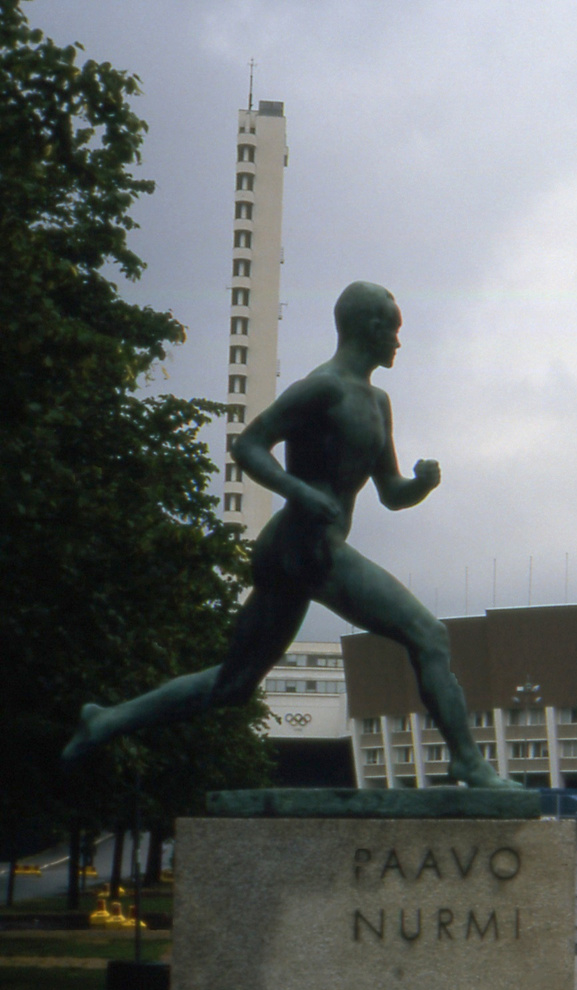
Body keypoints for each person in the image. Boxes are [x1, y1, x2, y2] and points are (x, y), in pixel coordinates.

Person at [63, 281, 513, 788]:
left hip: (297, 550)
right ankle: (468, 763)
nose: (398, 343)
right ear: (369, 327)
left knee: (233, 684)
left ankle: (105, 720)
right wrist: (297, 491)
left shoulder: (378, 403)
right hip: (307, 545)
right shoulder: (323, 388)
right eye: (393, 330)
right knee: (430, 636)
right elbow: (250, 445)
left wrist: (421, 485)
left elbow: (389, 492)